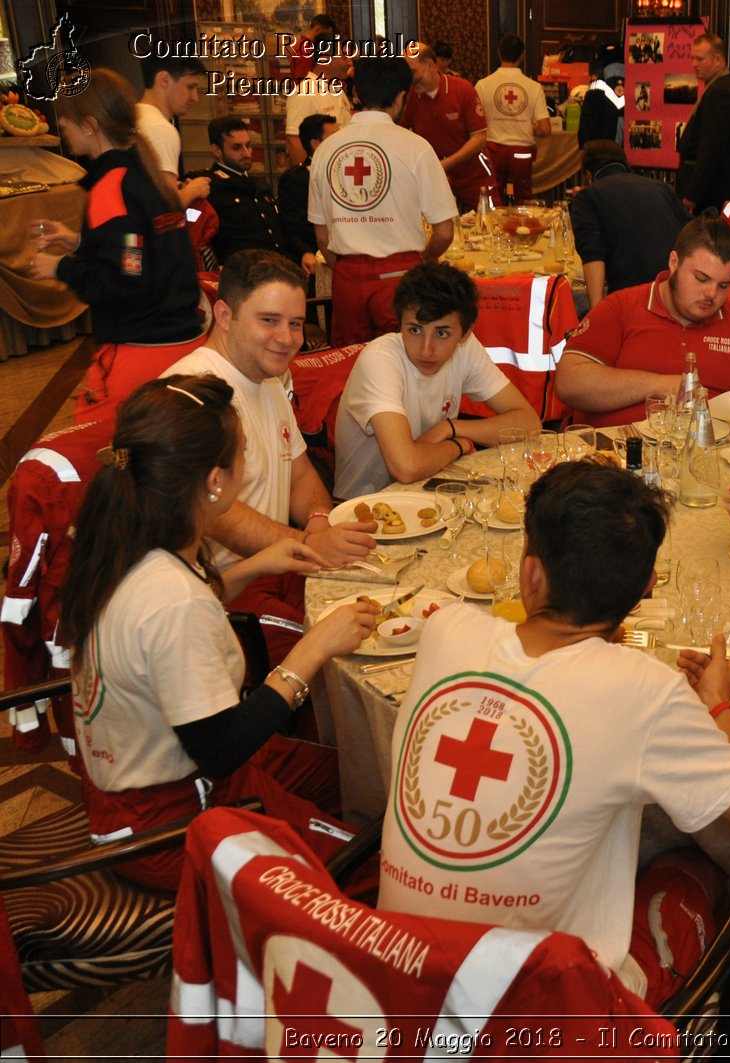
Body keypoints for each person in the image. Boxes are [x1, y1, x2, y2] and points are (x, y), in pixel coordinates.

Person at [379, 460, 730, 1005]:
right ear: (645, 590)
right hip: (538, 1016)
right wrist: (719, 704)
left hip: (395, 981)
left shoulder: (446, 629)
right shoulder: (647, 692)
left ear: (531, 574)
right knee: (701, 862)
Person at [56, 374, 378, 890]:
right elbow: (220, 748)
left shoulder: (128, 540)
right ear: (215, 482)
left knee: (360, 775)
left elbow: (155, 630)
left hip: (135, 784)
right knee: (374, 869)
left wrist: (251, 567)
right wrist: (313, 648)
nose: (247, 466)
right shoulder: (173, 601)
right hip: (172, 822)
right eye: (243, 455)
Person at [165, 251, 376, 661]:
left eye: (295, 323)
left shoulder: (267, 376)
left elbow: (298, 471)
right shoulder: (194, 392)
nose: (287, 338)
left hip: (280, 566)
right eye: (269, 321)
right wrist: (306, 545)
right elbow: (213, 511)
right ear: (223, 315)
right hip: (226, 589)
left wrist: (317, 524)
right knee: (349, 652)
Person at [28, 68, 205, 419]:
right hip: (183, 345)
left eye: (66, 117)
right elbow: (136, 251)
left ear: (91, 124)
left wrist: (61, 266)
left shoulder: (111, 186)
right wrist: (80, 243)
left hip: (142, 353)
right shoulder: (146, 172)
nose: (61, 122)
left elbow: (126, 281)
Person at [557, 216, 730, 430]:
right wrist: (661, 385)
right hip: (616, 457)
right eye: (701, 278)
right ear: (674, 262)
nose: (711, 294)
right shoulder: (620, 307)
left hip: (710, 460)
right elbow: (569, 383)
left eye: (724, 285)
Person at [334, 263, 538, 497]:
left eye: (442, 333)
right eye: (414, 330)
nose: (426, 350)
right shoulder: (380, 359)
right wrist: (458, 445)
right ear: (399, 324)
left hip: (429, 492)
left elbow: (529, 423)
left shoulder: (466, 349)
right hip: (365, 507)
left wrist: (451, 427)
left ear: (466, 333)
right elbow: (405, 467)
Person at [308, 56, 456, 347]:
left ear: (357, 93)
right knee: (404, 369)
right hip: (401, 279)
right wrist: (421, 260)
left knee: (351, 369)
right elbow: (445, 232)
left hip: (347, 281)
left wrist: (350, 269)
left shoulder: (326, 150)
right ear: (403, 96)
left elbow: (321, 234)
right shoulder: (416, 147)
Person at [568, 139, 688, 301]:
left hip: (632, 297)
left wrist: (596, 315)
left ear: (588, 176)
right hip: (677, 291)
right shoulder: (660, 188)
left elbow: (592, 254)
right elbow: (690, 233)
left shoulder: (588, 196)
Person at [404, 42, 491, 212]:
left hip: (473, 175)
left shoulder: (462, 89)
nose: (410, 79)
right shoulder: (409, 97)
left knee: (488, 224)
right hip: (434, 178)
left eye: (413, 72)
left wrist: (444, 164)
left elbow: (480, 139)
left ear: (430, 65)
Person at [675, 33, 730, 215]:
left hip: (717, 191)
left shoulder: (722, 92)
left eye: (700, 59)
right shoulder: (721, 86)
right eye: (692, 58)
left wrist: (692, 193)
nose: (694, 63)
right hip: (718, 188)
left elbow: (712, 148)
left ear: (718, 60)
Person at [199, 116, 286, 264]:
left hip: (275, 266)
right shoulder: (210, 187)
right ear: (216, 150)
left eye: (248, 145)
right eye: (237, 147)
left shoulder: (259, 186)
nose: (246, 153)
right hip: (240, 273)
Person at [475, 35, 551, 204]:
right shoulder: (534, 87)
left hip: (492, 150)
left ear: (499, 53)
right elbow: (545, 129)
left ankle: (493, 229)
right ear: (522, 56)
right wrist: (527, 126)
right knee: (521, 199)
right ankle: (519, 229)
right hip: (521, 153)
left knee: (492, 198)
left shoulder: (483, 85)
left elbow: (474, 122)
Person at [134, 55, 210, 208]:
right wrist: (194, 190)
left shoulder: (134, 116)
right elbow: (165, 207)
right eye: (190, 87)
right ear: (165, 80)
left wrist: (180, 187)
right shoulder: (160, 129)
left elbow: (145, 189)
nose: (195, 97)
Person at [277, 113, 338, 278]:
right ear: (316, 144)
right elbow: (292, 226)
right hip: (315, 255)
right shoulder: (296, 178)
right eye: (334, 138)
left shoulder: (343, 171)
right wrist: (305, 251)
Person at [283, 36, 352, 169]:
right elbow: (294, 141)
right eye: (344, 57)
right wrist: (305, 178)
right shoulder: (305, 92)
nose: (349, 62)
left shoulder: (338, 91)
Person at [578, 60, 626, 147]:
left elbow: (587, 116)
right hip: (626, 149)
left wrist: (584, 141)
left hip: (602, 149)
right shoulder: (634, 76)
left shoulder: (597, 82)